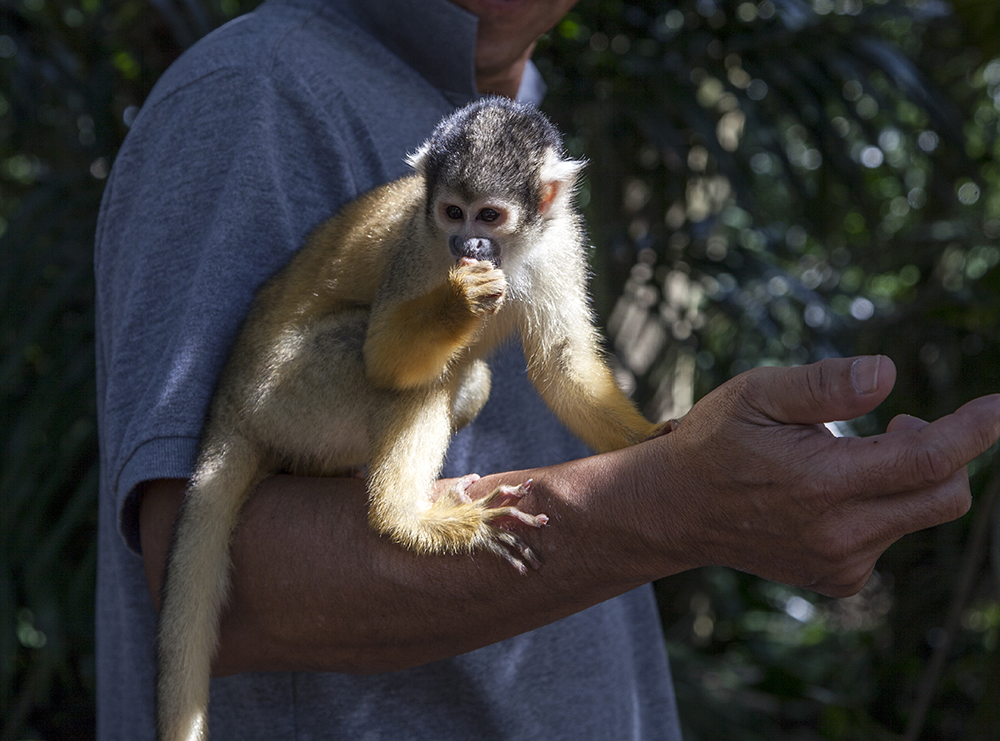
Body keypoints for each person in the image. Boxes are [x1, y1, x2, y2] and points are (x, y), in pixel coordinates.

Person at [94, 0, 1000, 738]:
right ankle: (404, 511)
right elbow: (381, 364)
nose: (469, 238)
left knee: (484, 379)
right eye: (451, 213)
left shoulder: (519, 141)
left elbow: (571, 368)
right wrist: (672, 506)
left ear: (547, 199)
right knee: (446, 372)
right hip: (293, 383)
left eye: (486, 216)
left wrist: (663, 454)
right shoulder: (255, 92)